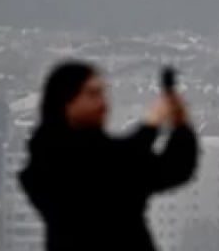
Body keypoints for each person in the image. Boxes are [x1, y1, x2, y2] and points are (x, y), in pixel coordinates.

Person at [18, 60, 199, 251]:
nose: (103, 103)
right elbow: (106, 174)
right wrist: (151, 127)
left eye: (103, 93)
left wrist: (180, 124)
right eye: (93, 94)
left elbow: (172, 169)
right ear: (66, 101)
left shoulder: (52, 155)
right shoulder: (52, 162)